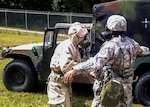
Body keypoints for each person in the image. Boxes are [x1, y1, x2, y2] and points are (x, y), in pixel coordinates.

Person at [63, 15, 150, 107]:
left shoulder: (110, 46)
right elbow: (144, 51)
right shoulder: (133, 44)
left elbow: (95, 63)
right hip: (127, 90)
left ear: (111, 29)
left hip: (112, 90)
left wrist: (75, 69)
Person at [47, 22, 88, 107]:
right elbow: (65, 67)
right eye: (81, 35)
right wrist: (83, 68)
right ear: (74, 35)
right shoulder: (67, 46)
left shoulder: (74, 46)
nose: (83, 38)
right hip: (58, 84)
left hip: (64, 82)